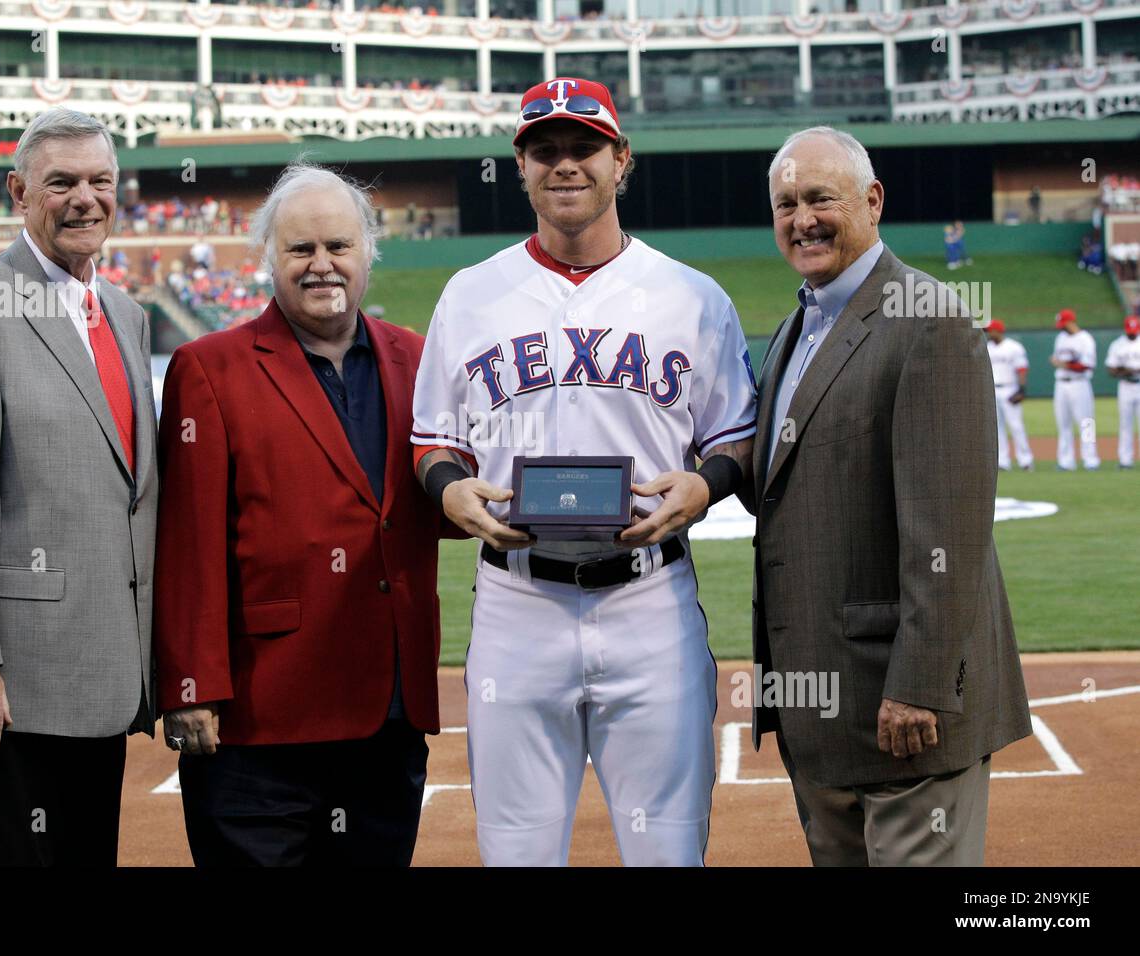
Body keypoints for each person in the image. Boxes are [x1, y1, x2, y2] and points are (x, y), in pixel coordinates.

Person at [411, 77, 757, 866]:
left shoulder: (694, 298)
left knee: (668, 853)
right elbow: (432, 443)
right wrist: (449, 489)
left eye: (584, 147)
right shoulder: (469, 296)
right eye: (545, 150)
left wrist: (704, 485)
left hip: (651, 604)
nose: (565, 165)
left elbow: (737, 439)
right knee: (517, 853)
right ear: (521, 167)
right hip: (515, 604)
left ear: (621, 159)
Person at [743, 126, 1031, 866]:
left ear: (872, 201)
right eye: (785, 203)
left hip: (901, 714)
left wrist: (922, 686)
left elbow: (952, 531)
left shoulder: (928, 317)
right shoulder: (794, 328)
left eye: (820, 198)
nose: (801, 218)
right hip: (822, 715)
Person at [153, 163, 445, 867]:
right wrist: (190, 685)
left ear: (368, 250)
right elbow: (187, 544)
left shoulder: (418, 358)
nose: (322, 266)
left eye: (339, 247)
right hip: (261, 719)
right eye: (300, 250)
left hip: (389, 713)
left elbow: (447, 500)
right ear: (269, 261)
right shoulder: (208, 368)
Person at [0, 108, 158, 866]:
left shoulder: (125, 313)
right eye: (61, 183)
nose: (85, 198)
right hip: (15, 687)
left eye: (99, 181)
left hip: (106, 675)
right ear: (20, 191)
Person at [1051, 308, 1100, 470]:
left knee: (1086, 422)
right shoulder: (1061, 338)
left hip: (1080, 384)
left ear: (1071, 321)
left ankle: (1090, 460)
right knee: (1063, 423)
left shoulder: (1085, 339)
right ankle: (1066, 461)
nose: (1062, 327)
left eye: (1063, 324)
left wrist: (1064, 364)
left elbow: (1087, 365)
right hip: (1061, 384)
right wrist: (1062, 364)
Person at [985, 319, 1034, 471]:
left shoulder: (1014, 347)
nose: (988, 333)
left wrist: (1021, 390)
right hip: (992, 390)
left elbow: (1022, 369)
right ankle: (1003, 462)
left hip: (1009, 389)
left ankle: (1025, 461)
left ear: (998, 330)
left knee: (1016, 426)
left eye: (990, 330)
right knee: (997, 428)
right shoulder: (987, 347)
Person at [1105, 315, 1140, 469]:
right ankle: (1125, 460)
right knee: (1125, 424)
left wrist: (1126, 369)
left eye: (1134, 330)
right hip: (1125, 386)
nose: (1132, 333)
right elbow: (1111, 369)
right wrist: (1126, 371)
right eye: (1129, 330)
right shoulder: (1117, 344)